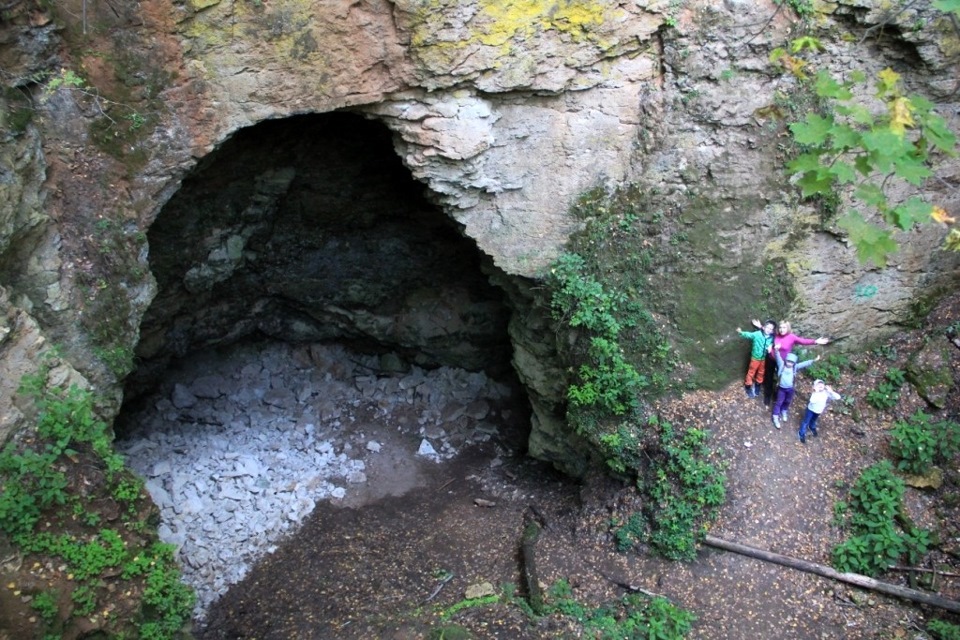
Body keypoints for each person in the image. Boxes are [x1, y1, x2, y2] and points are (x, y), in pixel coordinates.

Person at [758, 320, 830, 406]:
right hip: (771, 358)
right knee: (769, 377)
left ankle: (778, 395)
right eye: (780, 327)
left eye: (784, 327)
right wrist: (760, 326)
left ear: (788, 328)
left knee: (780, 377)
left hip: (782, 362)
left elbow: (803, 341)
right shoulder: (776, 334)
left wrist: (815, 341)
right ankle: (767, 395)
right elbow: (768, 331)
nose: (781, 329)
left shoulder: (792, 337)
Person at [771, 352, 818, 429]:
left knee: (787, 401)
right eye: (788, 361)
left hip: (790, 388)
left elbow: (804, 364)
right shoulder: (782, 365)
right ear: (786, 360)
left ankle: (784, 410)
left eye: (792, 362)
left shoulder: (795, 367)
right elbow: (778, 356)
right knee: (779, 402)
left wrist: (813, 360)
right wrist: (776, 350)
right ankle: (775, 416)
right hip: (781, 389)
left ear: (794, 363)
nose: (789, 364)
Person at [737, 320, 774, 398]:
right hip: (755, 358)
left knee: (761, 372)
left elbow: (774, 340)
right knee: (751, 372)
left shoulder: (771, 338)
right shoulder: (757, 334)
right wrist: (741, 332)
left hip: (763, 358)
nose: (769, 330)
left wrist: (771, 346)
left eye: (771, 329)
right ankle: (748, 386)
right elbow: (749, 335)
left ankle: (758, 384)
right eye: (768, 328)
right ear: (764, 327)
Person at [798, 379, 841, 444]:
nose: (820, 386)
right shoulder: (815, 393)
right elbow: (812, 401)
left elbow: (838, 397)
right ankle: (801, 433)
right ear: (815, 386)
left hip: (818, 411)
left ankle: (811, 427)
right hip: (811, 410)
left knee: (813, 420)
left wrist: (831, 391)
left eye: (822, 384)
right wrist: (815, 392)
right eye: (818, 385)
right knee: (805, 421)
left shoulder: (826, 392)